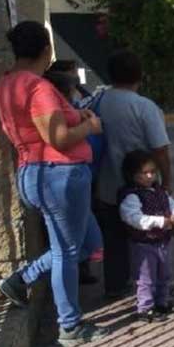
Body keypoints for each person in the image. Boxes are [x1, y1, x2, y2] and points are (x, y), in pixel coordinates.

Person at [0, 21, 109, 347]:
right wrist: (91, 127)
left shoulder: (8, 82)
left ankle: (22, 279)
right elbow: (58, 138)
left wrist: (76, 118)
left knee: (88, 243)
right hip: (60, 176)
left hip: (37, 172)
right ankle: (70, 327)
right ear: (46, 50)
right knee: (68, 252)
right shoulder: (38, 87)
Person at [93, 50, 172, 300]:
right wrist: (167, 183)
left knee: (114, 241)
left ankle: (116, 286)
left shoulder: (98, 103)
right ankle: (149, 288)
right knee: (148, 241)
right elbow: (160, 149)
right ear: (140, 75)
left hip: (105, 186)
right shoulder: (144, 107)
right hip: (141, 190)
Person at [43, 59, 104, 285]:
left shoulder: (74, 106)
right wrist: (88, 125)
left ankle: (79, 272)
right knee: (80, 245)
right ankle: (25, 276)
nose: (76, 80)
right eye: (71, 77)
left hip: (81, 172)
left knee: (78, 243)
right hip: (68, 175)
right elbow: (62, 139)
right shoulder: (60, 112)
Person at [119, 150, 174, 322]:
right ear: (132, 175)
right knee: (146, 277)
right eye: (144, 172)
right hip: (144, 243)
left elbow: (172, 205)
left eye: (153, 172)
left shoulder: (159, 191)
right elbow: (135, 219)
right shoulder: (132, 196)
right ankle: (145, 308)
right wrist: (161, 221)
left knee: (165, 273)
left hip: (163, 240)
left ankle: (162, 301)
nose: (150, 176)